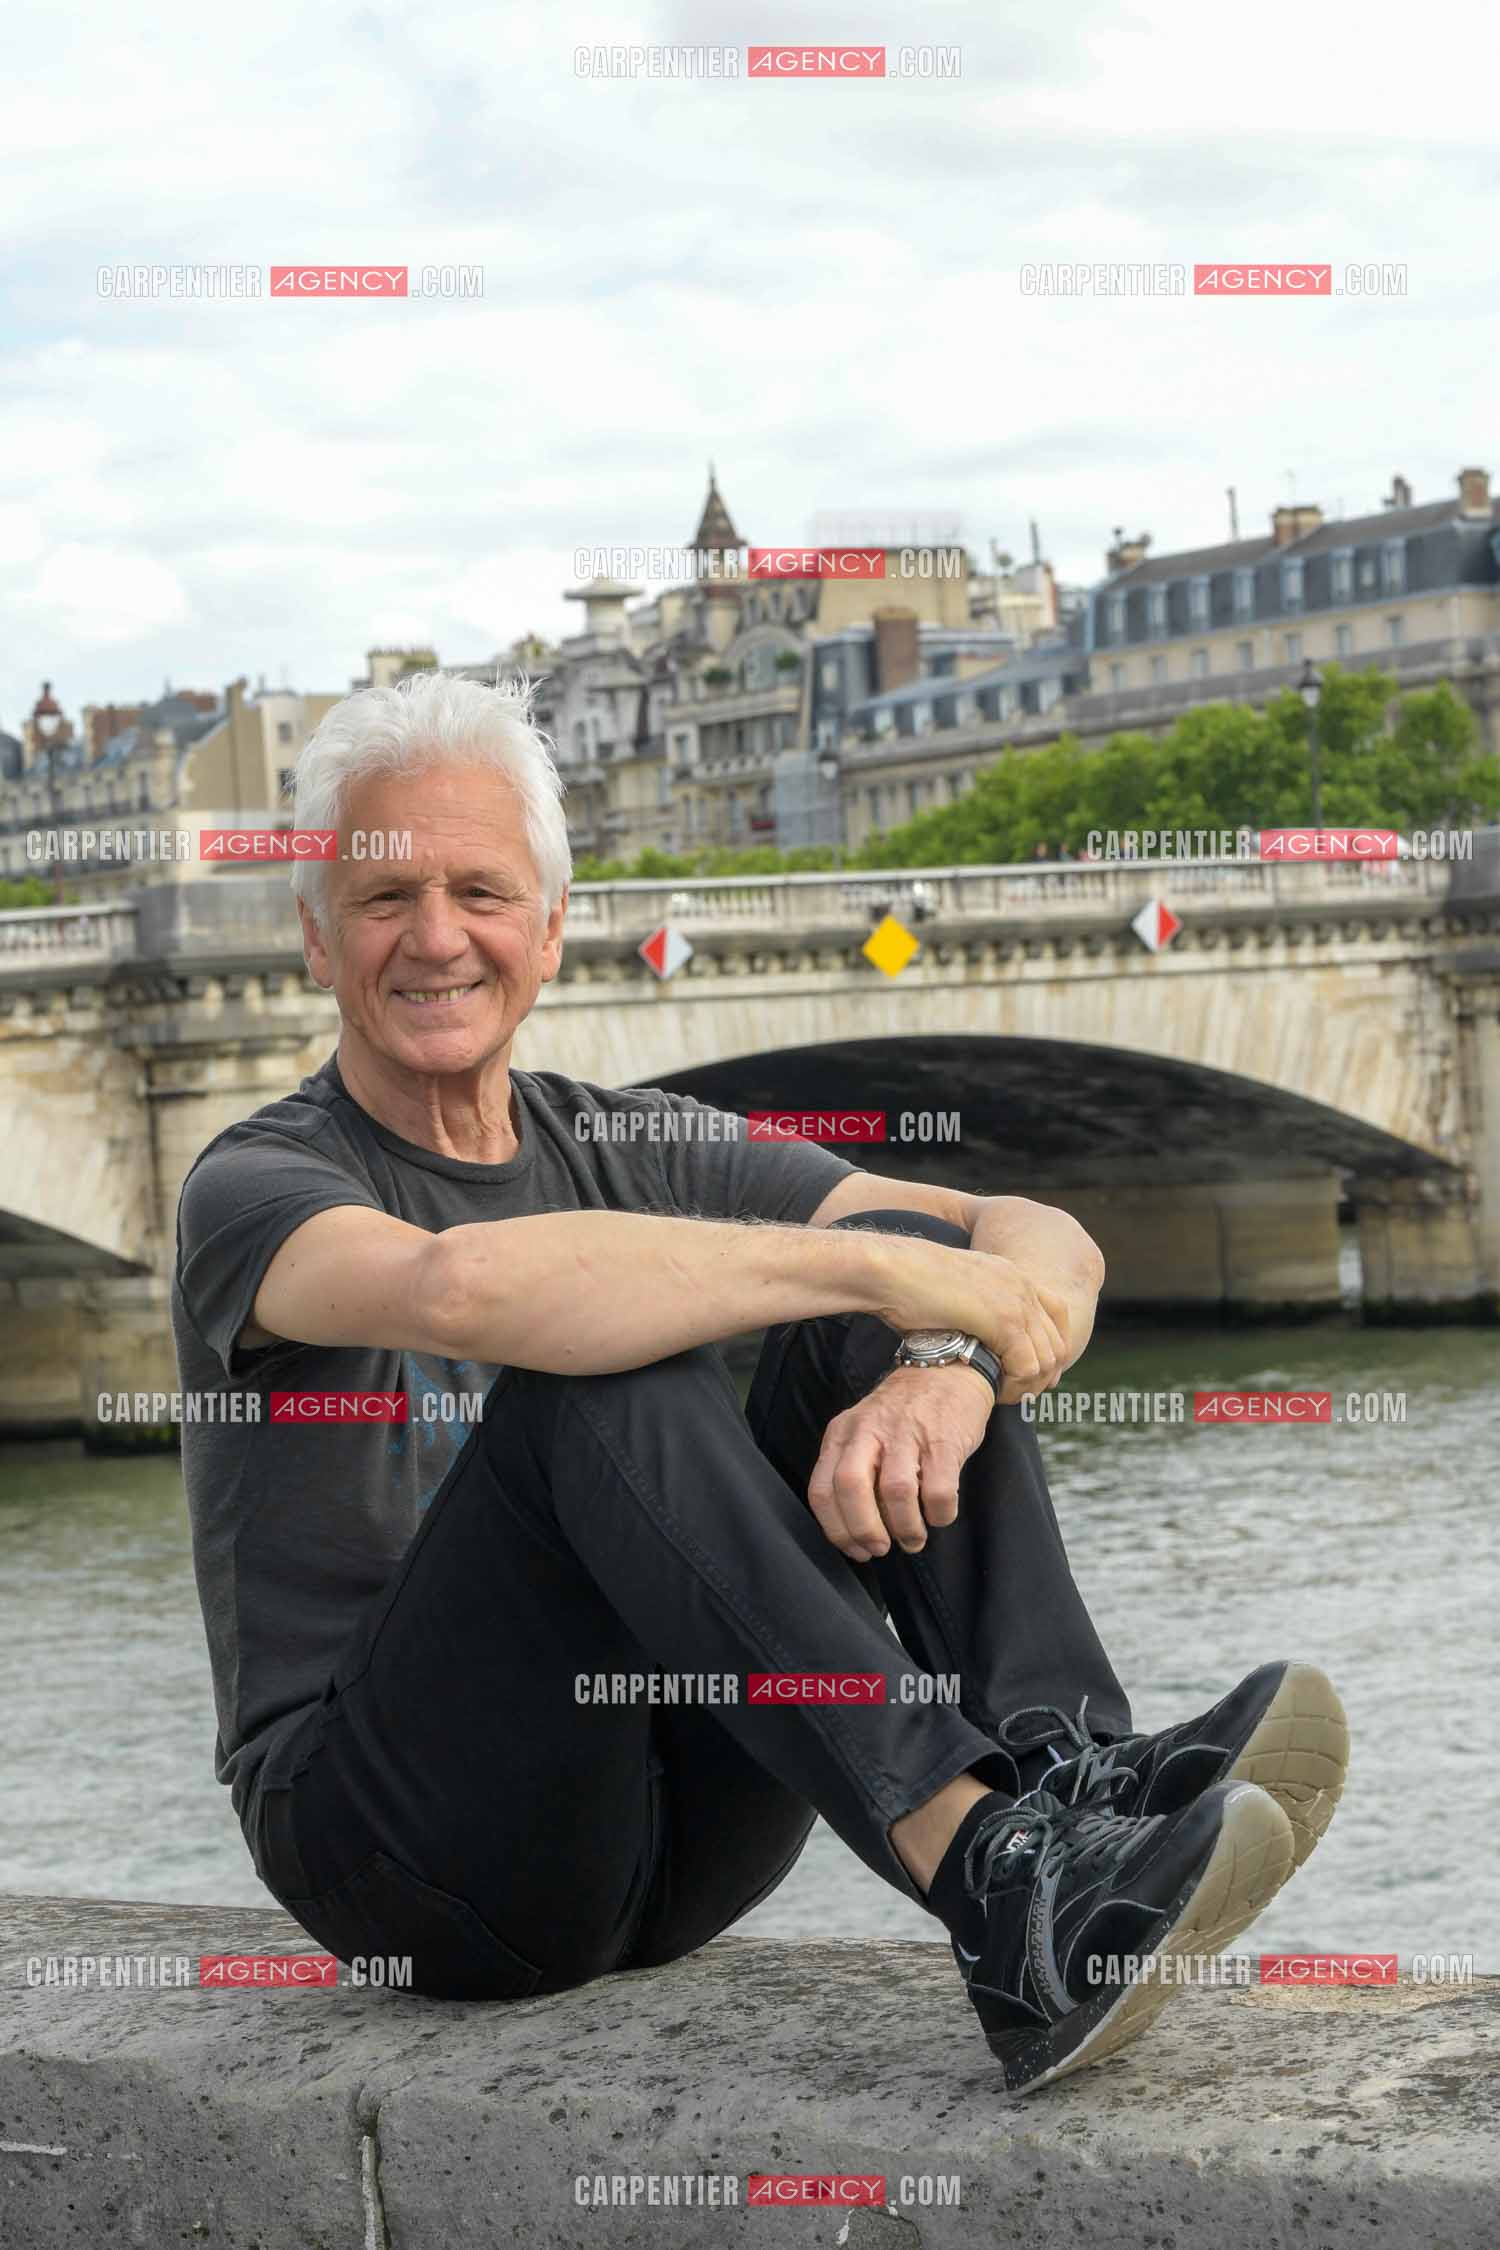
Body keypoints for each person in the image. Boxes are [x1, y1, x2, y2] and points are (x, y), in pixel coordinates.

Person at [171, 671, 1349, 2095]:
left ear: (549, 929)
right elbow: (460, 1288)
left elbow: (1040, 1240)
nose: (437, 936)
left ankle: (1066, 1783)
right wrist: (889, 1281)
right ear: (313, 935)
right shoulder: (255, 1182)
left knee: (897, 1262)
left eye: (479, 891)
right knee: (612, 1377)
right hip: (404, 1854)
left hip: (683, 1828)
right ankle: (991, 1884)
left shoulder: (631, 1134)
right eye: (383, 899)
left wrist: (946, 1364)